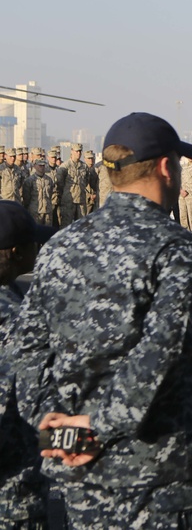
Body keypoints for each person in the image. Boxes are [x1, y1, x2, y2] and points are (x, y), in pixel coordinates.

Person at [13, 112, 192, 529]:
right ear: (165, 166)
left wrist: (53, 425)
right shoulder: (176, 250)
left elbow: (27, 348)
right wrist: (99, 428)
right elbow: (161, 356)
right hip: (159, 483)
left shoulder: (60, 245)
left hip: (80, 474)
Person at [1, 202, 54, 530]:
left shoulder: (13, 298)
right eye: (36, 243)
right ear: (18, 252)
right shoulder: (11, 318)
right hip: (12, 486)